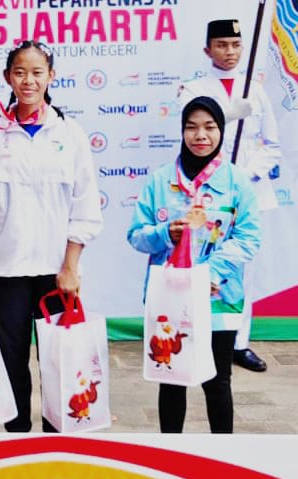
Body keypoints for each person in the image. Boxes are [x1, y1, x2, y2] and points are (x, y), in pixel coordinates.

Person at [0, 41, 103, 432]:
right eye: (20, 72)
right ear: (7, 77)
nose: (28, 81)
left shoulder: (70, 133)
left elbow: (85, 204)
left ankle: (57, 443)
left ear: (51, 77)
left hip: (55, 271)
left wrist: (70, 266)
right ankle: (18, 443)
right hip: (5, 268)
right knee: (11, 363)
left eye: (37, 72)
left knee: (60, 364)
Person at [128, 96, 261, 433]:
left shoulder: (237, 182)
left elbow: (248, 238)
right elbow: (136, 236)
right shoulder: (160, 181)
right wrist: (164, 234)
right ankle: (170, 454)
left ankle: (222, 456)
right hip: (169, 301)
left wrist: (208, 275)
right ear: (182, 131)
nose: (200, 135)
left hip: (219, 299)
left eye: (209, 127)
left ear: (220, 130)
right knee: (171, 379)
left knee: (218, 382)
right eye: (191, 127)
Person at [178, 19, 281, 373]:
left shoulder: (256, 90)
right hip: (206, 195)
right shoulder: (193, 89)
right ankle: (198, 334)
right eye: (221, 45)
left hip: (247, 192)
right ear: (208, 50)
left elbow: (272, 146)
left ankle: (239, 342)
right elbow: (193, 136)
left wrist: (244, 177)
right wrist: (228, 114)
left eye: (235, 45)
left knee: (242, 269)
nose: (230, 52)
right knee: (200, 264)